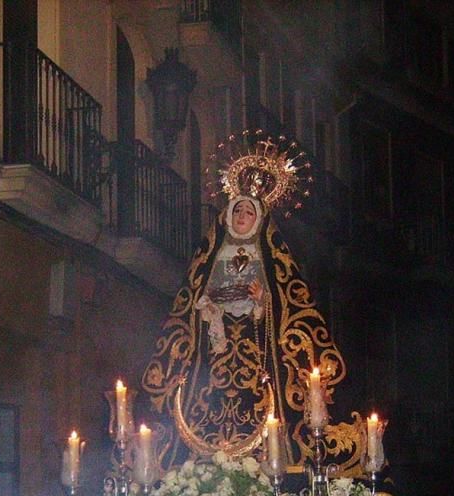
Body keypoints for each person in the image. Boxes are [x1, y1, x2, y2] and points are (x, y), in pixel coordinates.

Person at [141, 138, 348, 467]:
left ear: (259, 218)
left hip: (258, 354)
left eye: (248, 211)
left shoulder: (271, 259)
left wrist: (261, 302)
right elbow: (190, 305)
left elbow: (287, 309)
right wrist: (208, 307)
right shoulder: (211, 255)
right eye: (237, 209)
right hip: (215, 356)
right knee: (205, 399)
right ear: (227, 214)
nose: (241, 215)